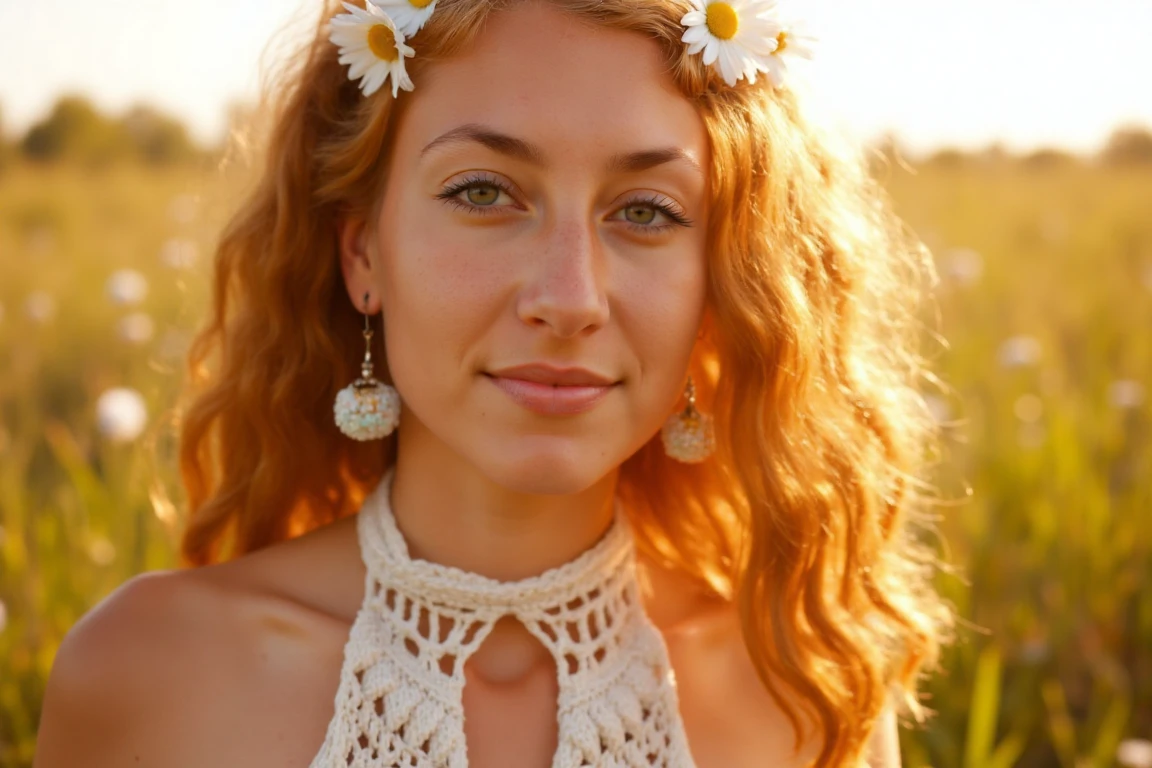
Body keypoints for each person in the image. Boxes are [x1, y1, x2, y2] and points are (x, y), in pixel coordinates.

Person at [34, 0, 954, 766]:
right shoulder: (147, 677)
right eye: (484, 192)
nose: (570, 298)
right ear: (363, 251)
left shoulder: (808, 695)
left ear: (723, 280)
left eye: (645, 211)